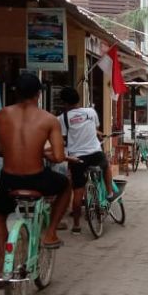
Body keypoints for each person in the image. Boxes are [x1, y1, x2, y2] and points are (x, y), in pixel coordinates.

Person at [0, 74, 71, 268]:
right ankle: (50, 233)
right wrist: (44, 153)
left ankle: (2, 262)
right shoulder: (49, 120)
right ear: (38, 94)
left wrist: (5, 149)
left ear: (15, 92)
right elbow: (59, 157)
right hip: (37, 179)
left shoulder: (0, 115)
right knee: (66, 185)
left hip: (9, 180)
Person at [58, 87, 116, 234]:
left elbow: (64, 138)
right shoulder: (90, 112)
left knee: (78, 192)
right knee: (106, 166)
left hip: (77, 158)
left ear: (64, 103)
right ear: (78, 99)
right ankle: (109, 193)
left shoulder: (62, 119)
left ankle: (76, 225)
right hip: (95, 153)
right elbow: (94, 129)